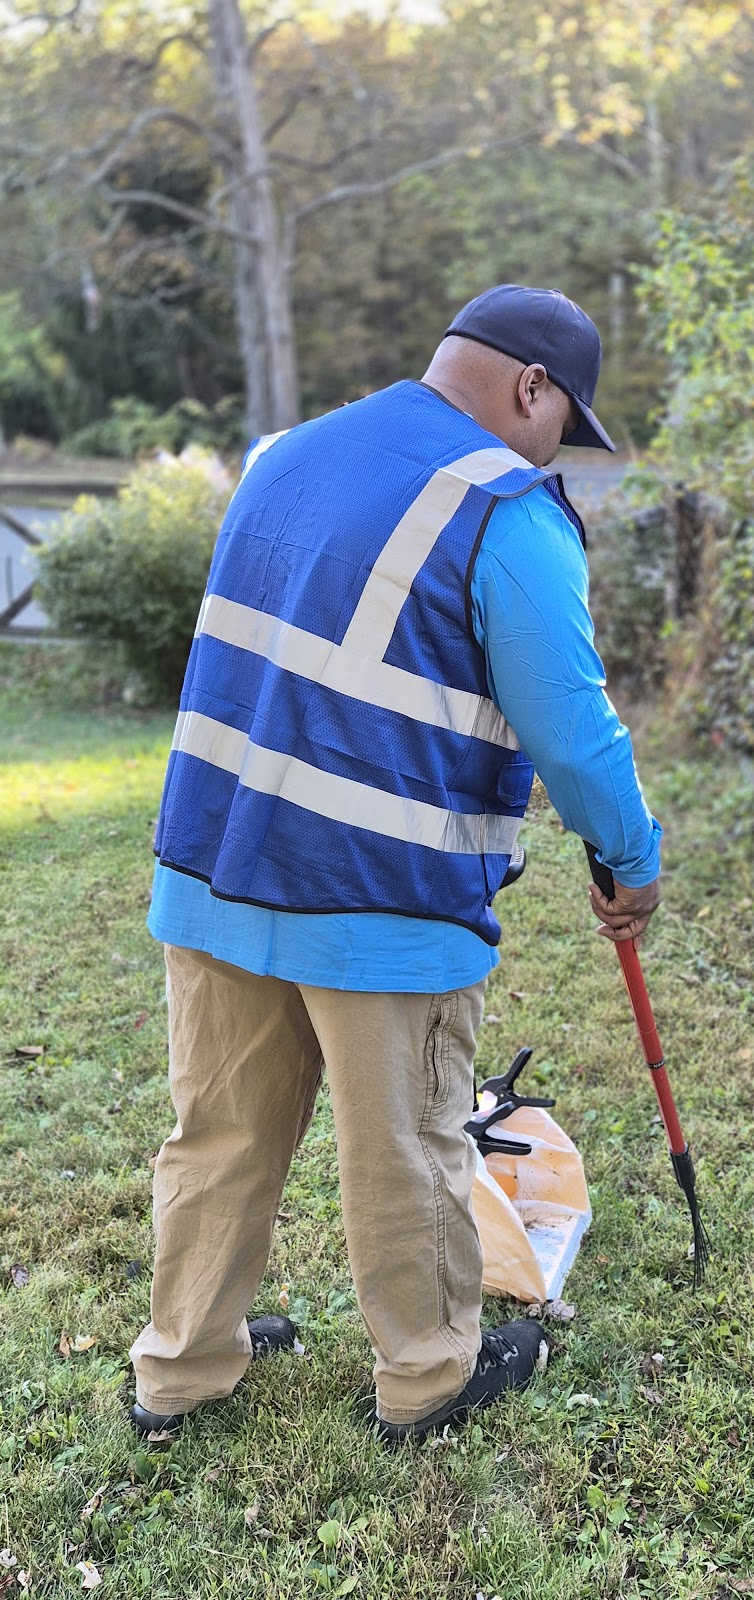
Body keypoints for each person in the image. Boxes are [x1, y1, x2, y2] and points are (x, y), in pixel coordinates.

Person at [129, 284, 662, 1445]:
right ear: (531, 387)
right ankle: (428, 1381)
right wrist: (630, 858)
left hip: (215, 866)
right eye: (563, 419)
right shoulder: (507, 508)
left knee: (215, 1133)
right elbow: (571, 729)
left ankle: (181, 1367)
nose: (553, 445)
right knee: (409, 1147)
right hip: (380, 896)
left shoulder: (285, 454)